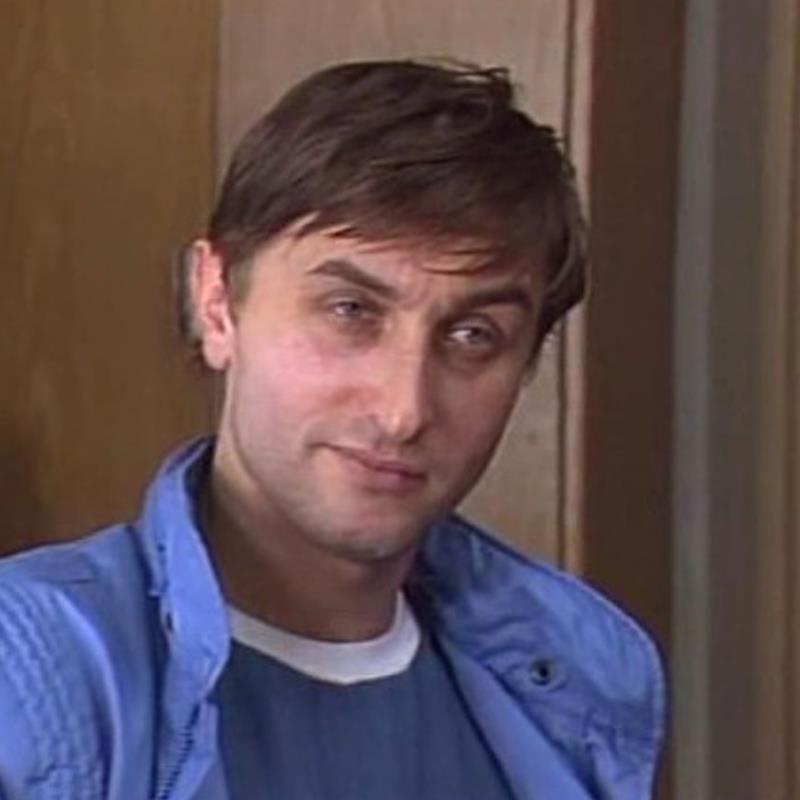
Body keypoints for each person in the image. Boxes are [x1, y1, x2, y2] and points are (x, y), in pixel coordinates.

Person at [0, 60, 665, 799]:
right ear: (217, 303)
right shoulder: (31, 671)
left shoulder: (579, 681)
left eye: (473, 335)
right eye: (350, 311)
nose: (403, 411)